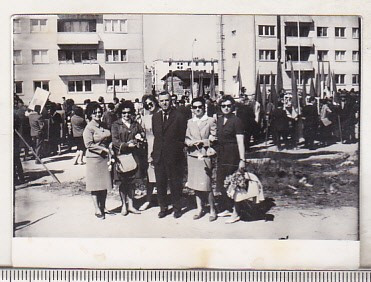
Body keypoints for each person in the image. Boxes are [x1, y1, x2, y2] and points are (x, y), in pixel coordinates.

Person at [152, 91, 187, 218]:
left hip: (174, 156)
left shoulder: (179, 116)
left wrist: (175, 152)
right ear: (158, 102)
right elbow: (157, 136)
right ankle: (163, 207)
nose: (164, 103)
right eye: (161, 101)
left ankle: (177, 207)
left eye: (166, 100)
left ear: (170, 100)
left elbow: (181, 137)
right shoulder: (155, 117)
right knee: (160, 183)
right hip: (159, 156)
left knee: (175, 183)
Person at [185, 97, 217, 221]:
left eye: (200, 107)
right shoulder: (190, 122)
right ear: (192, 109)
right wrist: (189, 143)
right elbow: (187, 138)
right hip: (193, 155)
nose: (198, 109)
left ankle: (212, 210)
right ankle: (199, 208)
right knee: (195, 184)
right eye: (195, 107)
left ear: (204, 108)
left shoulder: (210, 120)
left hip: (204, 155)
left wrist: (203, 141)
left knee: (206, 184)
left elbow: (214, 137)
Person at [215, 95, 246, 224]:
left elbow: (240, 142)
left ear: (232, 107)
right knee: (222, 183)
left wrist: (242, 159)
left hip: (232, 155)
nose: (226, 108)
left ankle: (236, 212)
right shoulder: (220, 120)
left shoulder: (236, 121)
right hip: (222, 155)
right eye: (223, 106)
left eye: (228, 106)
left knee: (234, 184)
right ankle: (228, 207)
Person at [111, 101, 144, 216]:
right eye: (124, 113)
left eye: (128, 112)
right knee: (123, 182)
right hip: (122, 157)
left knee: (132, 182)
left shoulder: (135, 124)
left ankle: (131, 205)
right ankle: (123, 206)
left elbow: (142, 134)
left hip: (134, 156)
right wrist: (126, 145)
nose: (126, 115)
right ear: (120, 113)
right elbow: (115, 141)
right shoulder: (116, 125)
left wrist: (137, 140)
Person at [83, 102, 112, 219]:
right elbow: (88, 144)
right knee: (95, 186)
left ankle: (103, 206)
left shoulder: (103, 124)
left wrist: (109, 147)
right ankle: (97, 208)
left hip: (104, 158)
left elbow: (108, 137)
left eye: (99, 112)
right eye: (95, 113)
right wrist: (103, 149)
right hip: (94, 159)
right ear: (90, 114)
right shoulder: (89, 128)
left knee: (104, 185)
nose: (98, 114)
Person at [139, 95, 160, 211]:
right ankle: (148, 200)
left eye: (151, 103)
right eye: (147, 104)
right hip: (149, 149)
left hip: (160, 148)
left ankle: (164, 200)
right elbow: (142, 133)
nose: (149, 106)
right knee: (150, 177)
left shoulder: (161, 115)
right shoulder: (145, 118)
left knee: (161, 175)